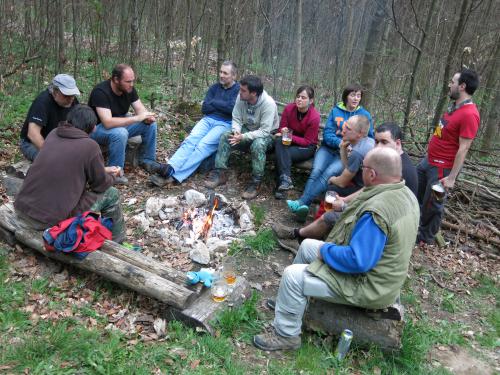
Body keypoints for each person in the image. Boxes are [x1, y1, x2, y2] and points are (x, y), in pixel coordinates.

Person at [253, 147, 419, 351]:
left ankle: (286, 335)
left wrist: (326, 251)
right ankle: (290, 303)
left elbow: (358, 261)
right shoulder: (404, 194)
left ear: (372, 174)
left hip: (370, 286)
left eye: (363, 167)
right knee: (307, 246)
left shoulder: (377, 212)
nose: (361, 171)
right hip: (383, 275)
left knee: (292, 276)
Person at [273, 122, 418, 242]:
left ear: (398, 143)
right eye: (377, 141)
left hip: (384, 224)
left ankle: (302, 238)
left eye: (384, 142)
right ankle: (305, 236)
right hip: (374, 208)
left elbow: (381, 205)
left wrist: (345, 205)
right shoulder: (387, 159)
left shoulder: (400, 169)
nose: (378, 146)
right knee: (332, 196)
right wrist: (344, 200)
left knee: (331, 213)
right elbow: (370, 189)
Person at [14, 104, 126, 243]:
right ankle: (118, 242)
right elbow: (100, 186)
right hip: (48, 222)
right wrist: (111, 176)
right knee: (112, 193)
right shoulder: (90, 146)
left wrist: (103, 169)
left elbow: (68, 165)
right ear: (92, 127)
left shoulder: (54, 133)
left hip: (21, 209)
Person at [285, 85, 373, 217]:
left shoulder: (364, 115)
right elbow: (328, 134)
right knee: (316, 171)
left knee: (329, 173)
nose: (355, 98)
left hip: (346, 155)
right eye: (353, 95)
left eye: (358, 96)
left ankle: (302, 203)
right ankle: (304, 204)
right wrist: (340, 143)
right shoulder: (336, 110)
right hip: (327, 148)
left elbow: (368, 136)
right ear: (346, 96)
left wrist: (349, 146)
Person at [150, 61, 240, 186]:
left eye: (225, 73)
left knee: (202, 146)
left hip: (224, 123)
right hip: (208, 119)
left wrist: (214, 102)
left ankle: (175, 176)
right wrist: (220, 105)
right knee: (190, 140)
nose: (221, 75)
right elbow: (205, 108)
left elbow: (232, 110)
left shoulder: (238, 90)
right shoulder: (214, 87)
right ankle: (169, 168)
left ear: (234, 76)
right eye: (220, 72)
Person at [416, 68, 480, 244]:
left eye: (453, 82)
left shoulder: (470, 114)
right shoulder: (454, 107)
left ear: (462, 86)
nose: (449, 84)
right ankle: (414, 228)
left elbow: (464, 147)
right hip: (428, 161)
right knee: (416, 193)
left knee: (433, 204)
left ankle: (425, 239)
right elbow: (442, 131)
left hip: (442, 169)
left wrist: (451, 177)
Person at [204, 75, 279, 199]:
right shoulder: (241, 97)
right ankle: (220, 172)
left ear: (254, 93)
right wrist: (237, 131)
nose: (240, 92)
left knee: (258, 144)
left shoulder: (268, 104)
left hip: (267, 135)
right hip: (247, 130)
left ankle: (256, 182)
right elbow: (237, 117)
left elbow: (265, 131)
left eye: (243, 90)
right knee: (225, 136)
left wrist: (243, 136)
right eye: (240, 89)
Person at [88, 64, 159, 184]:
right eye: (128, 81)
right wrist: (137, 118)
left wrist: (147, 118)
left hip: (119, 123)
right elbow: (108, 122)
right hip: (96, 129)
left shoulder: (129, 89)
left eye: (133, 81)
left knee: (150, 125)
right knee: (120, 133)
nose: (131, 84)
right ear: (116, 79)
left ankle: (147, 160)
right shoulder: (100, 92)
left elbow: (140, 110)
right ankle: (115, 173)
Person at [273, 85, 320, 199]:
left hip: (307, 147)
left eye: (303, 98)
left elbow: (307, 141)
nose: (299, 99)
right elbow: (281, 129)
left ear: (311, 101)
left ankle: (282, 184)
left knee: (283, 153)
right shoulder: (289, 109)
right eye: (298, 96)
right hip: (289, 142)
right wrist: (283, 131)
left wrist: (289, 136)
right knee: (280, 142)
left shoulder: (314, 117)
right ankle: (285, 182)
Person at [19, 74, 80, 161]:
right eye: (66, 95)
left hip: (57, 141)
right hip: (32, 143)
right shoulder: (42, 102)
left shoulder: (73, 101)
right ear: (55, 92)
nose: (70, 99)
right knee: (53, 161)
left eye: (72, 95)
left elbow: (78, 125)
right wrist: (51, 152)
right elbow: (33, 134)